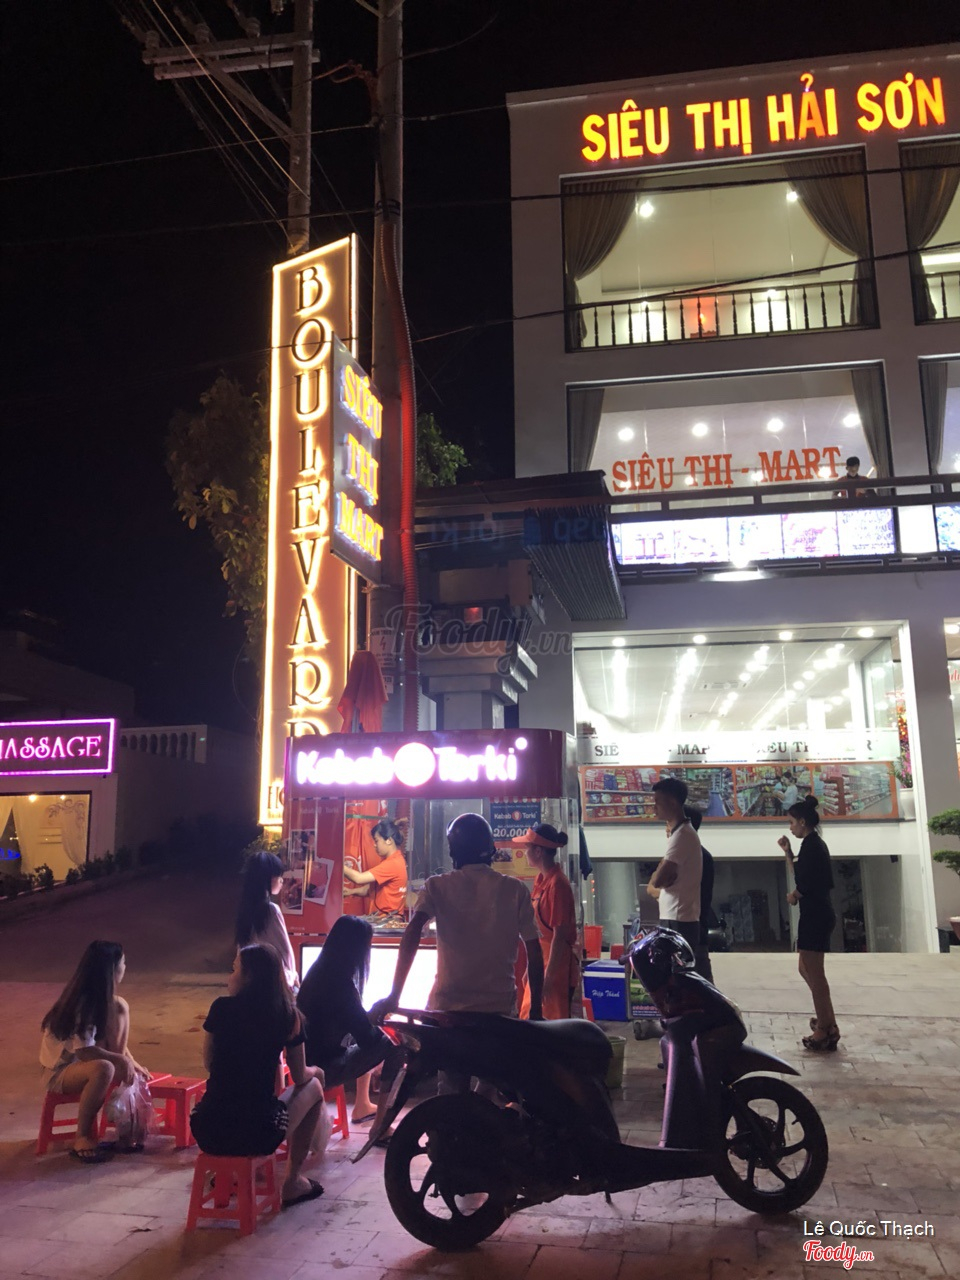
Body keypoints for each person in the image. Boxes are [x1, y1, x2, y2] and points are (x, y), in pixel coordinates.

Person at [372, 813, 544, 1023]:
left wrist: (394, 995)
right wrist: (536, 1012)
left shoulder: (437, 886)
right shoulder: (515, 890)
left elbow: (413, 931)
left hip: (446, 1010)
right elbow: (535, 952)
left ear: (452, 851)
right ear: (492, 850)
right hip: (500, 1013)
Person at [190, 943, 326, 1207]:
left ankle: (227, 1175)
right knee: (314, 1088)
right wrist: (317, 1072)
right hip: (258, 1132)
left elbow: (209, 1063)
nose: (230, 977)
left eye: (234, 970)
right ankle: (293, 1182)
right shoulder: (287, 1015)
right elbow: (300, 1076)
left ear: (248, 976)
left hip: (208, 1129)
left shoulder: (220, 1008)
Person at [39, 940, 148, 1163]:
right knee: (104, 1068)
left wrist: (131, 1062)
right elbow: (85, 1052)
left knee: (120, 1009)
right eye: (123, 963)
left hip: (83, 1064)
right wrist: (120, 1060)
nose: (125, 968)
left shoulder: (104, 1001)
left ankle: (125, 1133)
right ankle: (82, 1137)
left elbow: (108, 1041)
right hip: (59, 1072)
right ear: (112, 970)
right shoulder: (83, 1003)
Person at [297, 915, 402, 1126]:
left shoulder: (318, 973)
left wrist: (370, 1018)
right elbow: (368, 1039)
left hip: (307, 1059)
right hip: (326, 1068)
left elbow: (351, 1023)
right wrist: (379, 1019)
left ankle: (364, 1106)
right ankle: (381, 1124)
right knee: (396, 1043)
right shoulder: (341, 986)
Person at [778, 796, 841, 1051]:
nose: (790, 827)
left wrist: (794, 895)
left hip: (816, 915)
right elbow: (801, 874)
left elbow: (810, 883)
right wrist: (788, 853)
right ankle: (827, 1020)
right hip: (814, 914)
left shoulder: (813, 846)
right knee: (805, 968)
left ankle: (825, 1028)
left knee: (815, 973)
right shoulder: (811, 845)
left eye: (792, 822)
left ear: (803, 822)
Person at [512, 823, 579, 1019]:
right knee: (531, 1017)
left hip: (556, 966)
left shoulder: (558, 884)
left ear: (538, 851)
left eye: (527, 847)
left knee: (551, 1022)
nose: (525, 852)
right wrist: (531, 969)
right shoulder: (542, 881)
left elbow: (560, 936)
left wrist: (548, 977)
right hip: (543, 961)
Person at [646, 777, 702, 953]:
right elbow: (661, 880)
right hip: (676, 919)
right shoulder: (678, 834)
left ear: (672, 802)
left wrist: (661, 874)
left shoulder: (683, 835)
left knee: (673, 969)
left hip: (678, 920)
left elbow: (658, 881)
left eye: (657, 802)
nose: (654, 807)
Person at [236, 850, 299, 992]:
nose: (282, 881)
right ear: (268, 878)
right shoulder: (271, 910)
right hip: (272, 983)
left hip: (249, 980)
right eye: (279, 876)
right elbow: (284, 951)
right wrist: (292, 975)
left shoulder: (245, 909)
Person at [342, 818, 408, 920]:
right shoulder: (394, 860)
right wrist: (351, 891)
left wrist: (339, 864)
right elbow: (371, 889)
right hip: (382, 919)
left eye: (377, 841)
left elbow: (359, 878)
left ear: (389, 840)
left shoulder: (393, 864)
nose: (374, 845)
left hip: (387, 920)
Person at [684, 806, 715, 984]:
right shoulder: (695, 854)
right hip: (690, 928)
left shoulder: (697, 855)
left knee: (702, 983)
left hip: (692, 928)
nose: (667, 827)